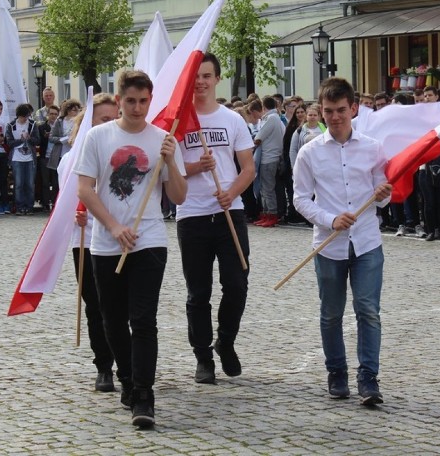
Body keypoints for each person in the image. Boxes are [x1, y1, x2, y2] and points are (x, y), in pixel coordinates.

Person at [75, 70, 187, 429]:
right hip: (107, 243)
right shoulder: (98, 136)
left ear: (150, 101)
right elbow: (85, 189)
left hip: (150, 240)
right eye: (131, 101)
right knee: (112, 319)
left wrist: (170, 161)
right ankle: (126, 375)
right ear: (119, 99)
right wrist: (113, 226)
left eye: (143, 101)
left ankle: (143, 393)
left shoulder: (163, 140)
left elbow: (179, 197)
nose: (137, 108)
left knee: (143, 320)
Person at [293, 76, 392, 406]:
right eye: (328, 111)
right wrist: (329, 219)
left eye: (340, 111)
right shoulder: (309, 153)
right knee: (331, 313)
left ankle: (369, 377)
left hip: (366, 242)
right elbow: (300, 199)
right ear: (320, 112)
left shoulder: (373, 148)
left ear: (354, 109)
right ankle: (336, 372)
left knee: (368, 310)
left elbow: (383, 198)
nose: (335, 117)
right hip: (329, 244)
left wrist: (383, 194)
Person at [176, 52, 255, 385]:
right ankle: (203, 356)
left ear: (217, 79)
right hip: (192, 213)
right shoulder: (179, 120)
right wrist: (196, 167)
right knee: (198, 292)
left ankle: (226, 340)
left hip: (228, 213)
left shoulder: (232, 120)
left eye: (207, 76)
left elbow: (248, 168)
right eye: (196, 76)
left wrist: (232, 191)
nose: (201, 82)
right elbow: (169, 175)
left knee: (237, 283)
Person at [72, 93, 119, 393]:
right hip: (86, 241)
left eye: (113, 118)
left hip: (120, 238)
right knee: (95, 306)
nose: (111, 124)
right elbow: (64, 201)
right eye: (104, 119)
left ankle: (128, 361)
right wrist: (73, 219)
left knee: (121, 307)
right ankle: (104, 365)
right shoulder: (71, 158)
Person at [253, 96, 285, 227]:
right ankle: (266, 213)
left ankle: (271, 214)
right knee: (265, 188)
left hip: (268, 158)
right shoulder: (276, 118)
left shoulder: (271, 118)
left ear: (263, 106)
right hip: (273, 156)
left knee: (267, 189)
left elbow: (259, 137)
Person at [5, 103, 39, 216]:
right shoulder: (10, 125)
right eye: (24, 116)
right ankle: (19, 207)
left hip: (30, 158)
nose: (26, 119)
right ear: (19, 115)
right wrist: (20, 140)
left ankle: (29, 207)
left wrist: (29, 139)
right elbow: (9, 142)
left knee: (29, 183)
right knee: (18, 183)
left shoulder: (33, 124)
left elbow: (37, 140)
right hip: (16, 158)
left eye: (27, 116)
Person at [37, 104, 59, 211]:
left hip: (56, 157)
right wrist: (45, 137)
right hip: (45, 156)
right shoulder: (41, 127)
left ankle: (55, 203)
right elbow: (38, 141)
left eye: (55, 114)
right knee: (45, 182)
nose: (53, 116)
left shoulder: (59, 127)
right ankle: (45, 203)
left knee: (55, 182)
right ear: (47, 115)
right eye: (51, 114)